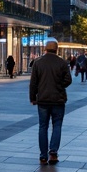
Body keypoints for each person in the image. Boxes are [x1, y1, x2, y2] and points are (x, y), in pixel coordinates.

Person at [29, 37, 72, 165]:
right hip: (58, 99)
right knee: (57, 125)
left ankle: (43, 156)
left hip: (42, 100)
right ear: (57, 49)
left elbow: (33, 83)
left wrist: (33, 97)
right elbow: (68, 80)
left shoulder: (38, 62)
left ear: (45, 49)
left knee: (43, 127)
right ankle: (53, 153)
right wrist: (59, 85)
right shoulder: (62, 63)